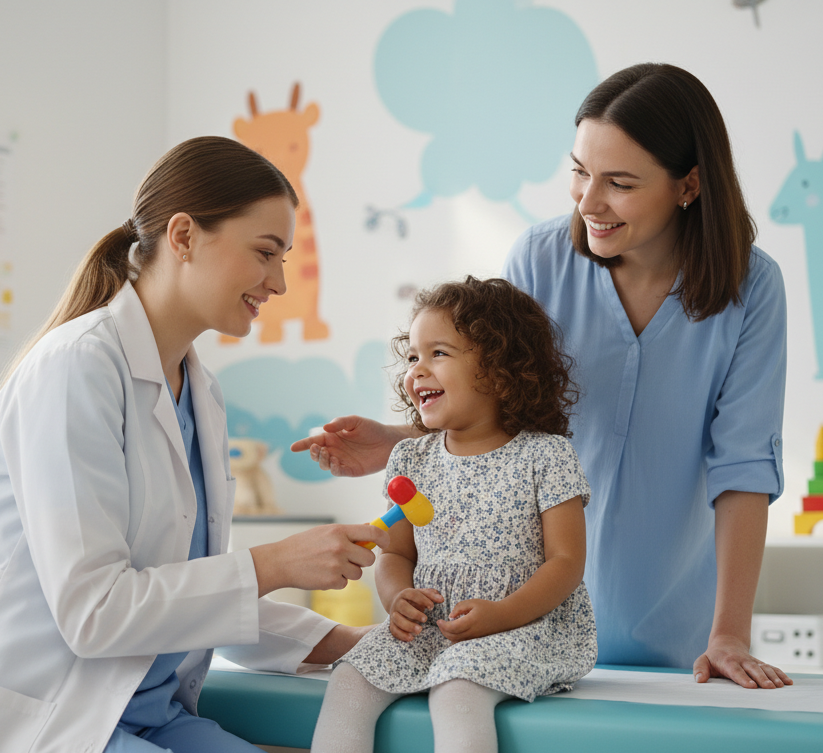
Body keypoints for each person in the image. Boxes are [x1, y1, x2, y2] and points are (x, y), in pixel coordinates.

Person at [292, 63, 793, 689]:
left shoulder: (753, 288)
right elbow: (499, 416)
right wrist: (401, 441)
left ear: (688, 185)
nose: (589, 203)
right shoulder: (540, 259)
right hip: (524, 622)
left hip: (675, 626)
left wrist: (729, 634)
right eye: (580, 173)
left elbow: (744, 467)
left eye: (620, 183)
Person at [0, 136, 391, 753]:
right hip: (41, 719)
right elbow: (96, 612)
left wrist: (353, 642)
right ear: (183, 236)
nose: (280, 282)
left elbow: (184, 594)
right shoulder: (76, 368)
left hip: (144, 714)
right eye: (266, 253)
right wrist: (276, 563)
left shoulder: (200, 390)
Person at [310, 277, 596, 753]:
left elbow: (566, 563)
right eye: (412, 357)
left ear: (503, 372)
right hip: (429, 628)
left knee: (458, 688)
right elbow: (397, 552)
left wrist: (502, 615)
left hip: (523, 625)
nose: (417, 370)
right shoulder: (410, 459)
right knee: (350, 679)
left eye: (437, 353)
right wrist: (396, 597)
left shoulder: (545, 456)